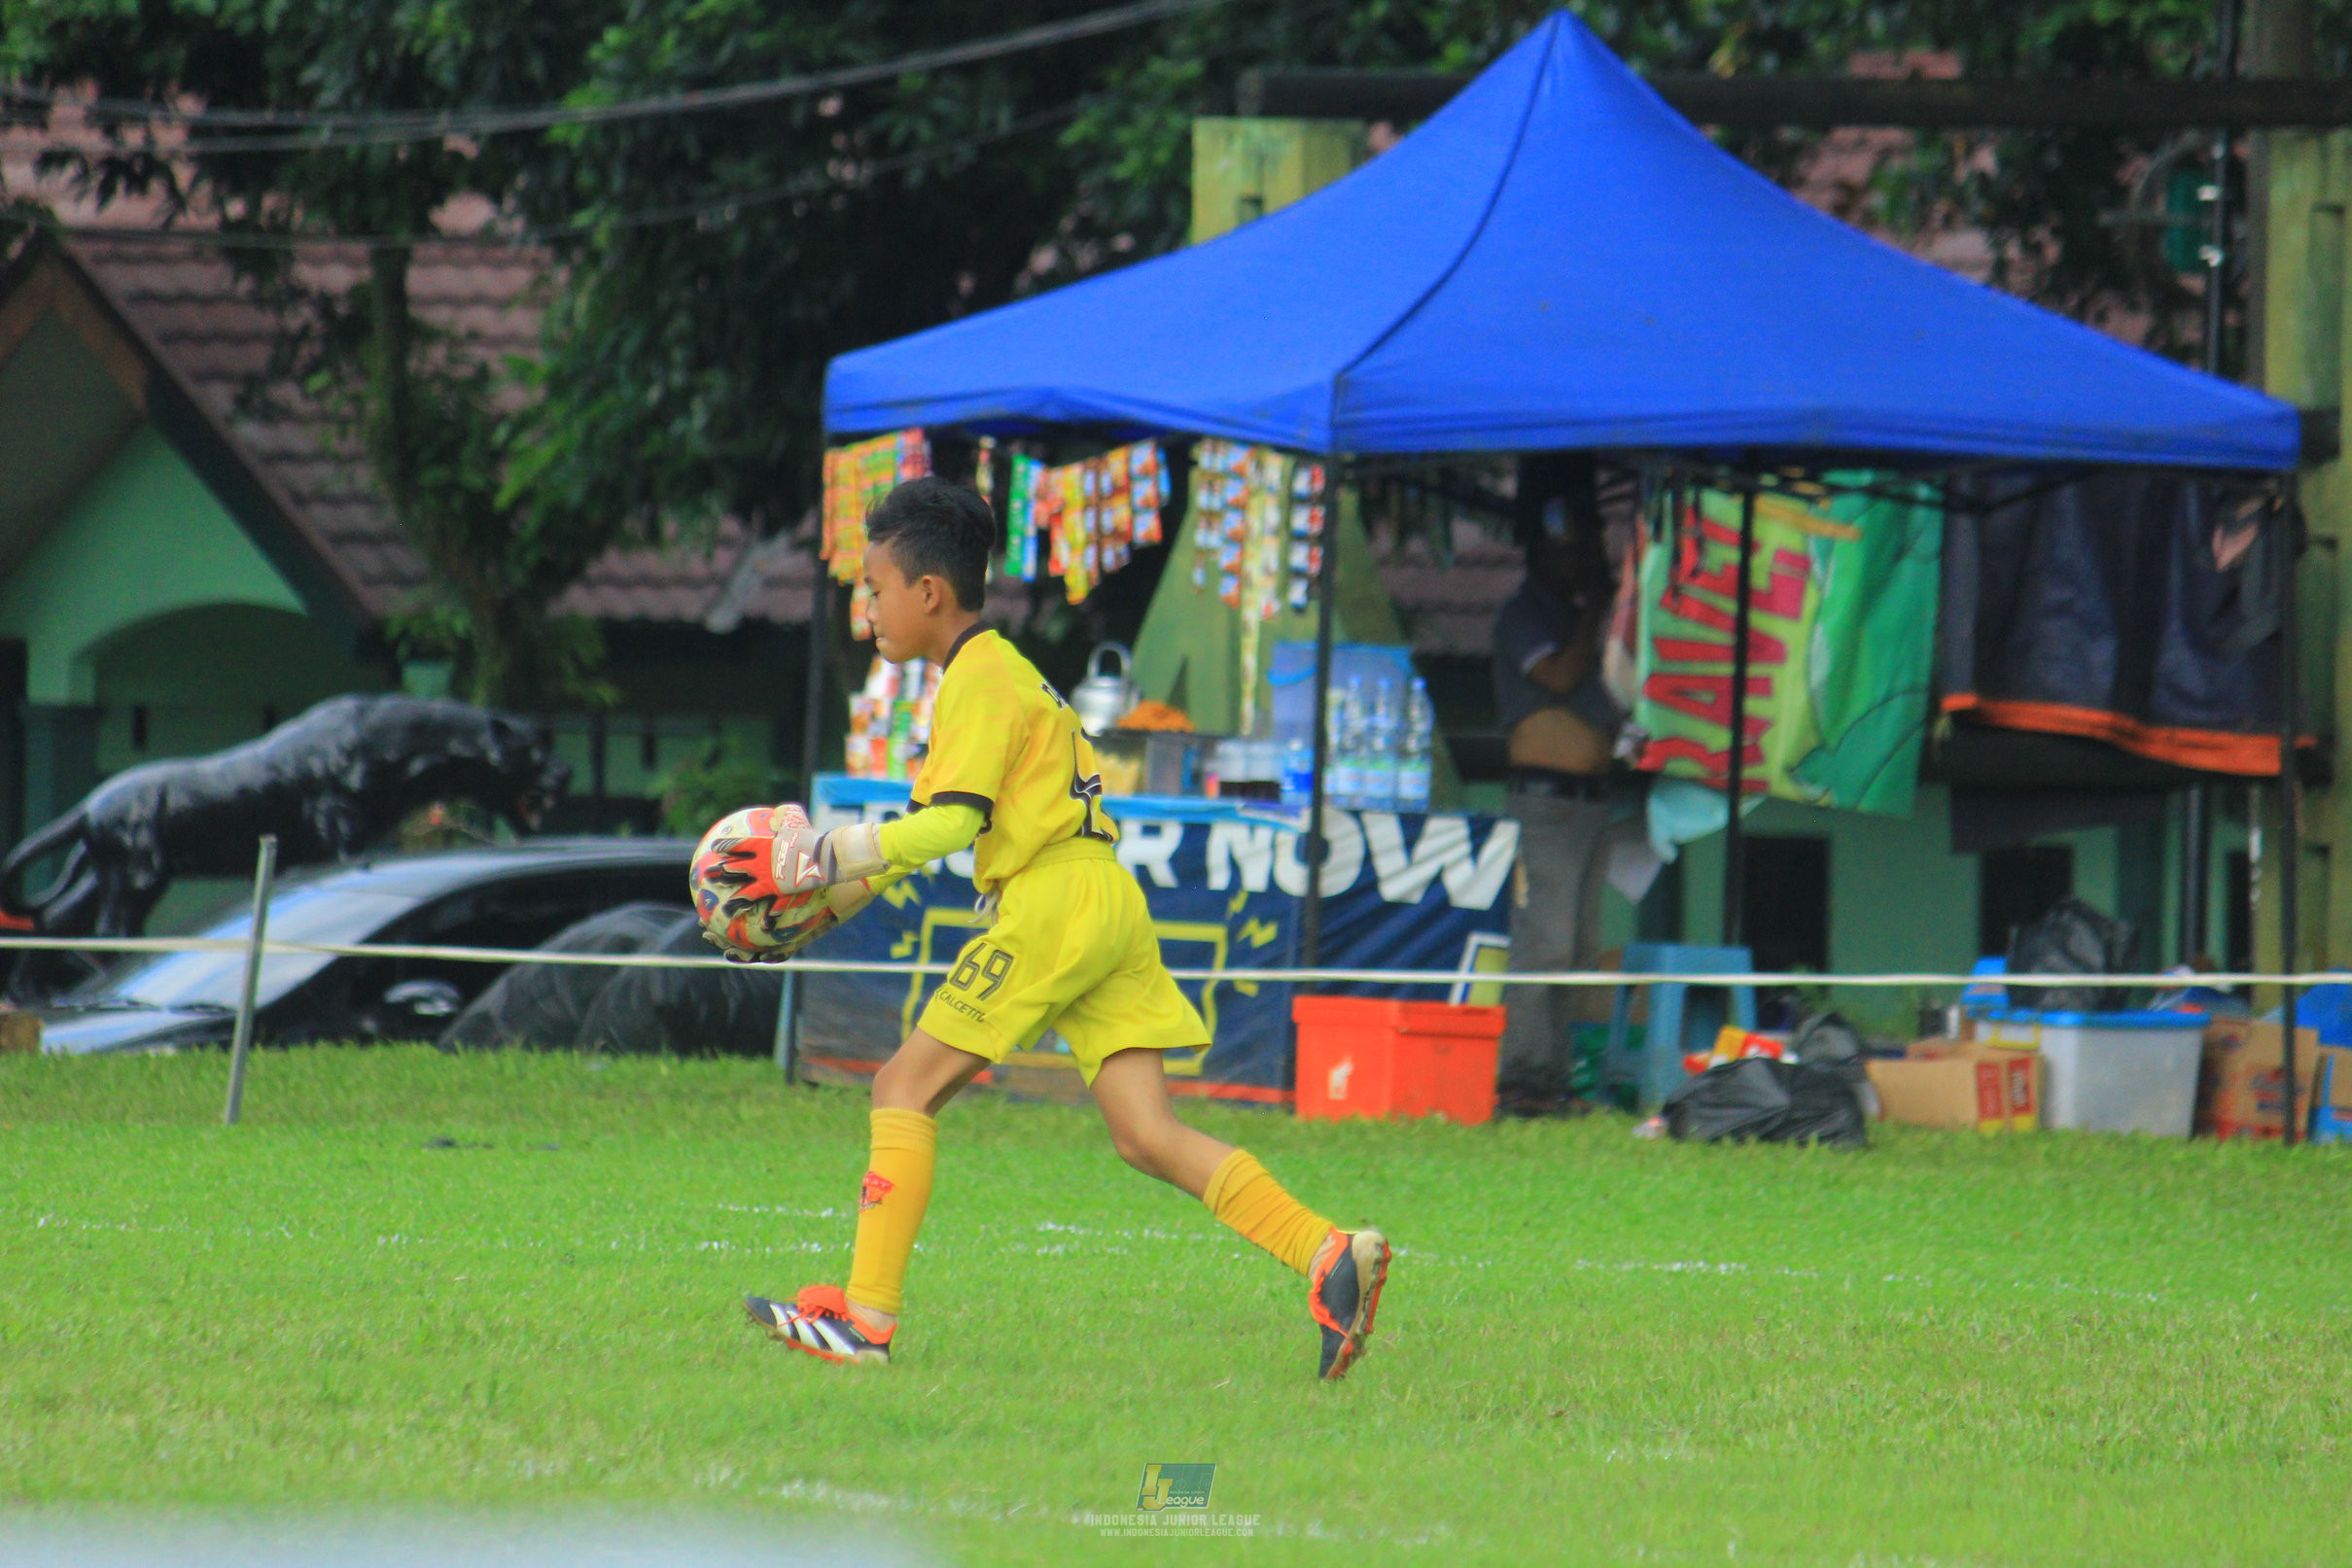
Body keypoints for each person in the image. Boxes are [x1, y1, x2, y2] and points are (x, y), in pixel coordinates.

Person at [741, 476, 1389, 1379]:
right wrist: (824, 901)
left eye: (875, 587)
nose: (868, 607)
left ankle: (866, 1324)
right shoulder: (999, 669)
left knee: (899, 1088)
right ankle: (1328, 1253)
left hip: (1048, 903)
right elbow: (931, 829)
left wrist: (819, 851)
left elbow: (949, 826)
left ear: (928, 592)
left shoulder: (974, 680)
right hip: (1103, 900)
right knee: (1145, 1134)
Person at [1491, 502, 1625, 1118]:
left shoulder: (1581, 619)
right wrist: (1595, 610)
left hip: (1590, 806)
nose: (1587, 564)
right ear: (1542, 553)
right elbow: (1561, 676)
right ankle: (1521, 1080)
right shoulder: (1525, 616)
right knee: (1542, 946)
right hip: (1542, 804)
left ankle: (1555, 1079)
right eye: (1575, 550)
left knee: (1577, 951)